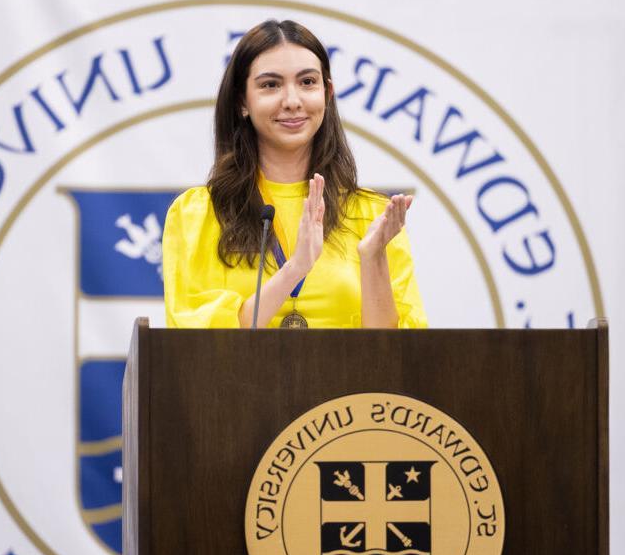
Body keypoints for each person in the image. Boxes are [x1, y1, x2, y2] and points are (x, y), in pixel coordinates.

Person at [162, 19, 427, 329]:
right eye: (270, 85)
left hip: (348, 380)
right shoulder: (197, 214)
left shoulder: (373, 215)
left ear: (328, 93)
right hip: (239, 379)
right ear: (242, 101)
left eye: (307, 82)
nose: (292, 101)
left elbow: (394, 359)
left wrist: (373, 259)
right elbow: (194, 346)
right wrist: (295, 269)